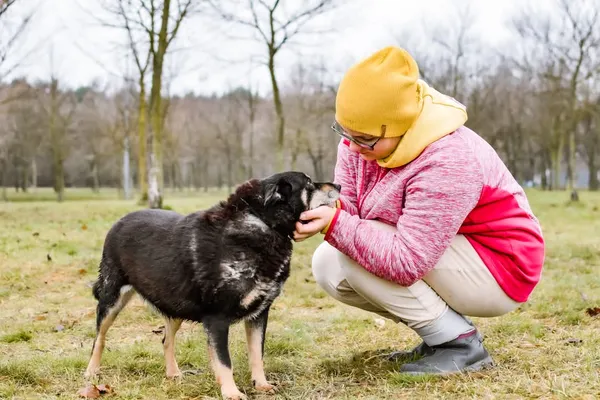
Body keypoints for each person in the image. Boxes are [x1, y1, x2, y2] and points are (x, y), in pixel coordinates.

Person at [293, 46, 545, 375]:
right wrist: (316, 211)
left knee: (351, 252)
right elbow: (350, 207)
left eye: (364, 138)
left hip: (501, 265)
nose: (352, 147)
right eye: (344, 132)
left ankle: (461, 345)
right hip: (447, 250)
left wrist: (337, 225)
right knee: (328, 262)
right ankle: (441, 335)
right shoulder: (362, 138)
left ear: (401, 126)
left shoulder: (447, 158)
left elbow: (406, 261)